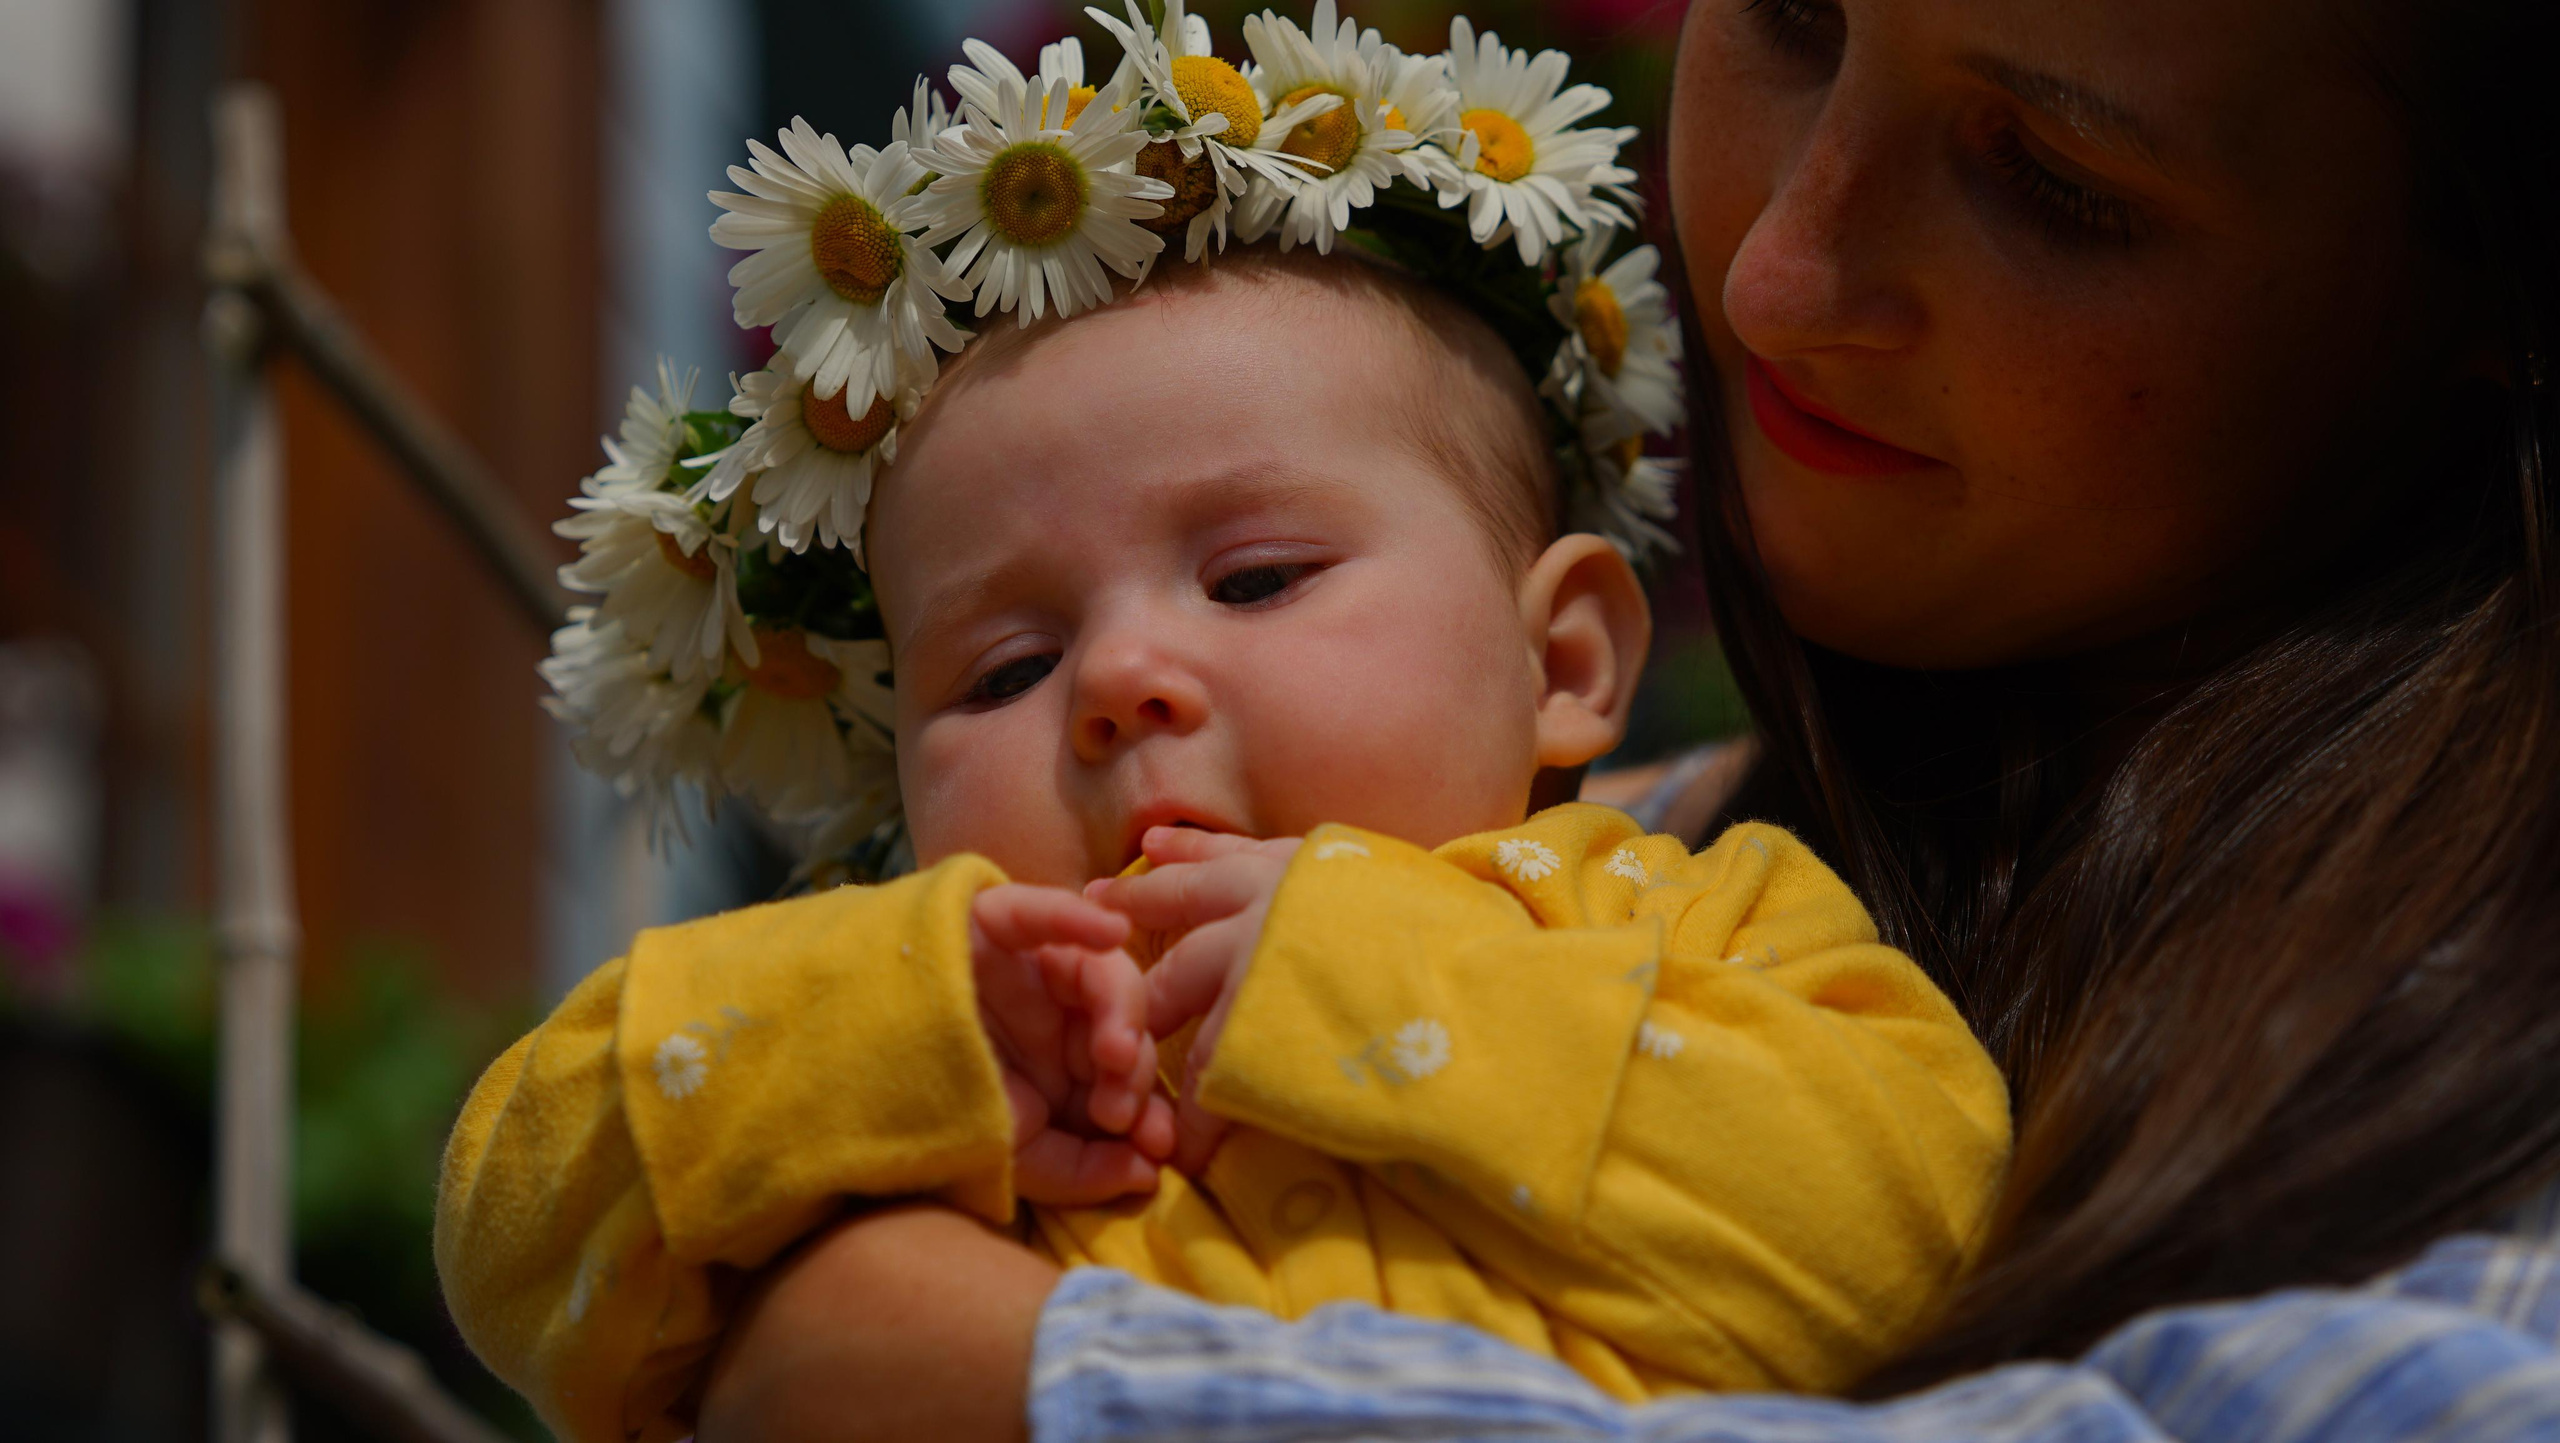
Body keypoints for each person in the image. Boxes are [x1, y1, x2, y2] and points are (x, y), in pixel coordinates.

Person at [687, 0, 2560, 1438]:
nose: (1772, 272)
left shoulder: (1721, 963)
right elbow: (586, 1182)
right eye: (1791, 20)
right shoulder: (1642, 838)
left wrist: (998, 1374)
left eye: (2058, 184)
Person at [436, 14, 2013, 1441]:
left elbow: (1901, 1239)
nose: (1122, 680)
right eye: (1001, 673)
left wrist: (1364, 978)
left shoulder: (1690, 919)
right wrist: (906, 1032)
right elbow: (518, 1228)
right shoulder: (949, 1004)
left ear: (1565, 659)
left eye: (1254, 578)